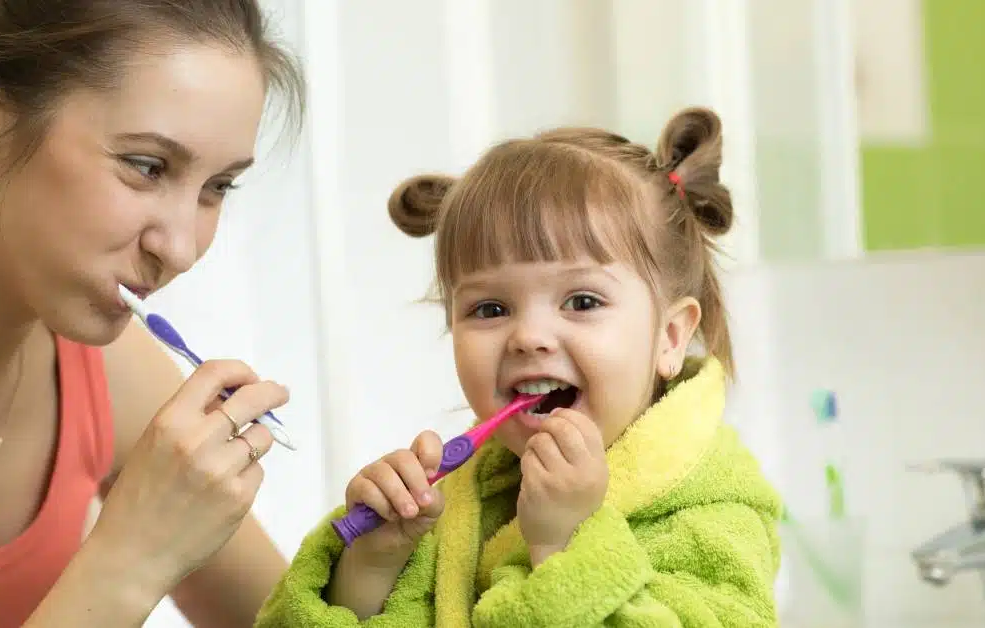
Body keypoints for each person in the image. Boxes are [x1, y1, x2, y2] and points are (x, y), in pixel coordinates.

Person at [0, 1, 304, 626]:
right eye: (146, 166)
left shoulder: (101, 361)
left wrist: (374, 557)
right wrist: (131, 559)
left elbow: (285, 619)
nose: (182, 249)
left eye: (217, 188)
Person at [256, 108, 784, 627]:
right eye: (490, 309)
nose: (528, 337)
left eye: (581, 301)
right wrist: (370, 567)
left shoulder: (713, 508)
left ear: (670, 337)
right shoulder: (456, 495)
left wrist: (563, 544)